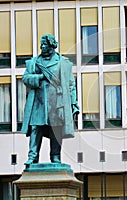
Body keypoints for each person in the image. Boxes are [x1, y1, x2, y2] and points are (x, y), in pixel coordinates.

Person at [21, 34, 79, 165]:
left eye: (45, 44)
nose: (42, 46)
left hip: (57, 101)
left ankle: (55, 156)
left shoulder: (63, 62)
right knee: (36, 128)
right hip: (38, 101)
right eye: (41, 44)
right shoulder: (34, 62)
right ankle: (33, 156)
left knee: (56, 129)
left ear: (52, 45)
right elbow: (25, 78)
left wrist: (73, 103)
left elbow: (71, 85)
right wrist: (40, 77)